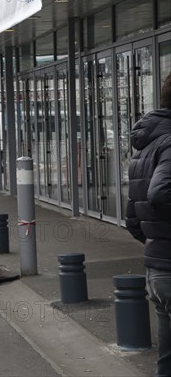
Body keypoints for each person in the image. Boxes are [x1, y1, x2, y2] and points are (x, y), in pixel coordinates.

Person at [126, 72, 171, 377]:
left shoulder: (146, 145)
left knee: (166, 361)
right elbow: (160, 193)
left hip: (157, 269)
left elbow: (133, 218)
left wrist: (156, 241)